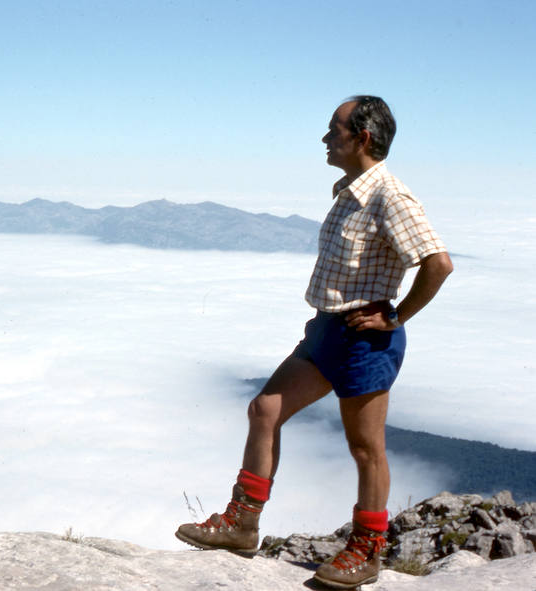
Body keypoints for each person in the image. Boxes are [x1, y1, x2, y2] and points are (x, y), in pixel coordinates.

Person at [175, 96, 453, 589]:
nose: (326, 139)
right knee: (265, 410)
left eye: (334, 130)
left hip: (364, 341)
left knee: (366, 448)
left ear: (362, 138)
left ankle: (367, 551)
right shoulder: (350, 191)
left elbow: (438, 263)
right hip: (325, 331)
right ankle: (243, 524)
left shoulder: (391, 196)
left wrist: (396, 317)